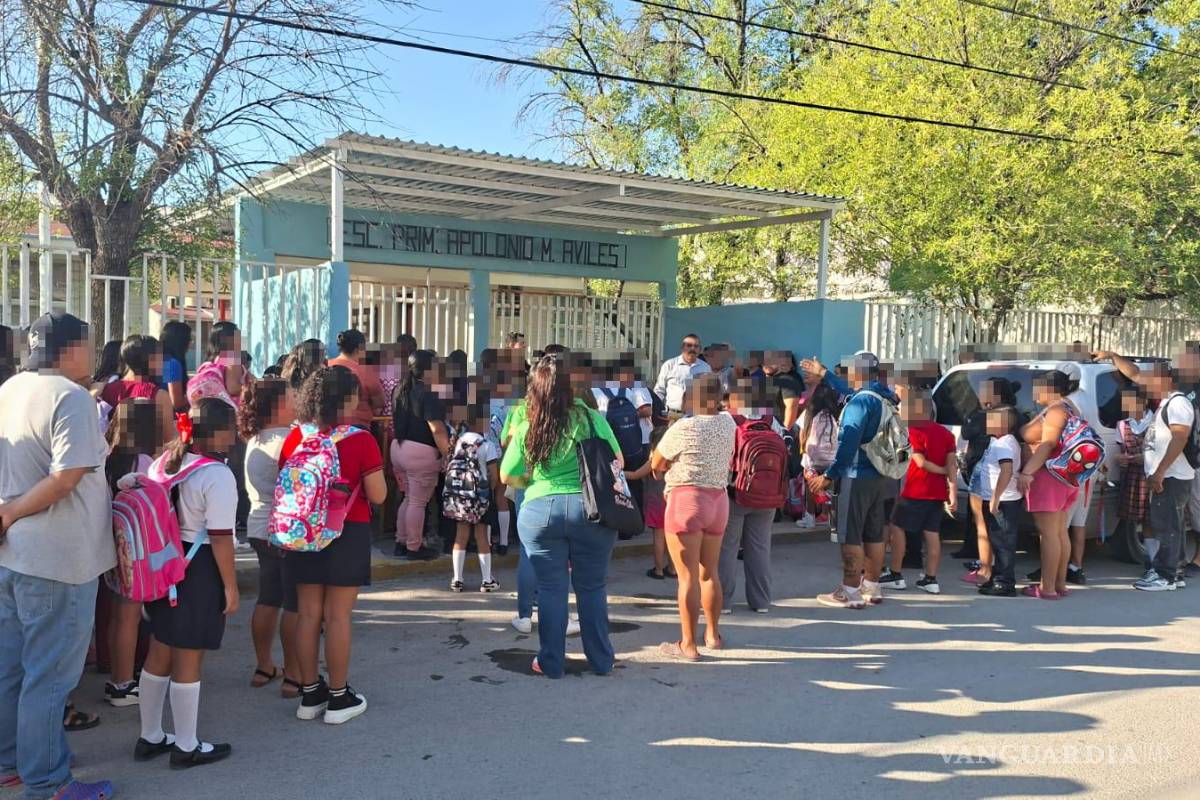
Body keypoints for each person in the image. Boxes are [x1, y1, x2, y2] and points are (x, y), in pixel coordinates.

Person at [0, 312, 116, 800]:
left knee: (14, 669)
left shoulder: (9, 390)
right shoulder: (70, 397)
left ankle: (13, 762)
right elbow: (67, 477)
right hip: (58, 560)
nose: (91, 356)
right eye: (88, 346)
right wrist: (7, 514)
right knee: (50, 677)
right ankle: (49, 784)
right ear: (70, 350)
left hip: (15, 559)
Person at [500, 355, 621, 678]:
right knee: (592, 587)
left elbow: (507, 474)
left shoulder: (528, 424)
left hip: (540, 510)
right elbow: (617, 461)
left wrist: (532, 481)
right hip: (591, 510)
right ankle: (602, 660)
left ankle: (550, 662)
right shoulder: (593, 420)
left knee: (552, 589)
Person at [135, 398, 239, 769]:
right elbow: (221, 536)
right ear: (220, 431)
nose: (236, 432)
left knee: (160, 650)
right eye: (233, 426)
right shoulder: (217, 474)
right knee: (189, 656)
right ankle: (186, 745)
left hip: (163, 565)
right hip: (198, 571)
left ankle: (150, 736)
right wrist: (230, 585)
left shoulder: (165, 462)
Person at [281, 367, 386, 723]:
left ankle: (310, 695)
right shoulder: (360, 440)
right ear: (347, 400)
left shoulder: (296, 438)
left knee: (308, 613)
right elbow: (379, 495)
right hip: (346, 531)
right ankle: (340, 698)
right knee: (338, 615)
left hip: (302, 533)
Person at [652, 373, 736, 660]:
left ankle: (687, 644)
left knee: (686, 578)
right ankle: (713, 634)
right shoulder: (729, 423)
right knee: (709, 572)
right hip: (718, 500)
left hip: (686, 499)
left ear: (694, 397)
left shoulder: (684, 427)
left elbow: (657, 462)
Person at [807, 352, 889, 610]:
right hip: (879, 475)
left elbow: (847, 444)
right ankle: (872, 587)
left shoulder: (858, 404)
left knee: (850, 534)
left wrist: (829, 476)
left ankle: (850, 590)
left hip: (855, 476)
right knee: (874, 532)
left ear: (858, 373)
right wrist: (824, 374)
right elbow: (849, 391)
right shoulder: (883, 396)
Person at [237, 377, 301, 698]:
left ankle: (264, 666)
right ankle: (293, 675)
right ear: (278, 404)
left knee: (268, 598)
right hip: (287, 529)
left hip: (260, 526)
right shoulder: (291, 440)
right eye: (292, 395)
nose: (297, 399)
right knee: (293, 603)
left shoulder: (256, 439)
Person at [100, 399, 161, 708]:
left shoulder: (109, 459)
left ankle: (117, 674)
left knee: (117, 615)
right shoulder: (146, 463)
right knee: (130, 617)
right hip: (137, 553)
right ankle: (123, 684)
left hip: (112, 545)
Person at [1017, 365, 1085, 599]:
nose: (1034, 393)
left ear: (1048, 388)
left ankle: (1046, 587)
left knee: (1048, 533)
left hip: (1050, 477)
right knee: (1058, 532)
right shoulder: (1070, 407)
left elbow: (1048, 444)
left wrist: (1027, 471)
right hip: (1065, 477)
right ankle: (1058, 584)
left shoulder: (1057, 410)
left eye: (1037, 388)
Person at [719, 378, 783, 614]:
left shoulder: (728, 420)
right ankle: (761, 602)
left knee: (728, 547)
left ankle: (723, 603)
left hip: (735, 492)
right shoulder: (770, 421)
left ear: (733, 399)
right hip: (768, 493)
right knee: (760, 548)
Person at [888, 391, 956, 595]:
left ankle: (895, 574)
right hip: (937, 493)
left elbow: (919, 462)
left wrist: (942, 471)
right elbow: (951, 463)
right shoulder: (946, 433)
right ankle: (931, 578)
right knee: (932, 534)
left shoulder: (913, 432)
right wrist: (951, 489)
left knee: (897, 527)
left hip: (915, 490)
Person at [391, 350, 449, 561]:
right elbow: (437, 429)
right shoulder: (428, 393)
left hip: (398, 448)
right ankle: (413, 547)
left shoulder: (400, 389)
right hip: (420, 452)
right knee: (417, 502)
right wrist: (447, 454)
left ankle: (401, 541)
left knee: (409, 498)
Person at [955, 377, 1019, 563]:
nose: (981, 395)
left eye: (985, 391)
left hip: (994, 480)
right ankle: (977, 555)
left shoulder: (1001, 419)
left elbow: (967, 432)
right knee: (979, 519)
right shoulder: (992, 415)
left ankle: (988, 567)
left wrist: (981, 412)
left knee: (988, 524)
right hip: (982, 472)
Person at [444, 406, 501, 593]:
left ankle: (457, 579)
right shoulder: (486, 444)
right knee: (481, 536)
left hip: (460, 498)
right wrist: (488, 494)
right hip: (480, 497)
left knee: (460, 536)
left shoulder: (458, 441)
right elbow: (494, 475)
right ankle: (486, 580)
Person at [975, 406, 1024, 596]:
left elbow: (1007, 470)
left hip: (1004, 501)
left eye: (991, 420)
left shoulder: (1004, 444)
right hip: (997, 499)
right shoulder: (997, 442)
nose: (987, 423)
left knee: (1004, 543)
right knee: (997, 541)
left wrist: (995, 498)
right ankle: (996, 577)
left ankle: (1005, 583)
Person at [98, 334, 177, 446]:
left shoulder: (106, 390)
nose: (163, 363)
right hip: (147, 461)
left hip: (109, 458)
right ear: (151, 360)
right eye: (160, 357)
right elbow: (169, 440)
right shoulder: (158, 395)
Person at [1115, 385, 1153, 576]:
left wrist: (1145, 459)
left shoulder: (1156, 421)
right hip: (1133, 477)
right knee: (1138, 520)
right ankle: (1152, 562)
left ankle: (1158, 563)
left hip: (1153, 476)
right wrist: (1121, 459)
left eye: (1132, 401)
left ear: (1144, 401)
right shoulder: (1123, 425)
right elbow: (1121, 450)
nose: (1128, 406)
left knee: (1153, 521)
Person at [798, 380, 840, 527]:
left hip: (812, 457)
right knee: (831, 487)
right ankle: (829, 517)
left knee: (811, 486)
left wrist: (803, 451)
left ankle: (809, 518)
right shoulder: (836, 414)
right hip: (831, 457)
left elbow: (802, 434)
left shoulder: (809, 413)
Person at [328, 329, 386, 429]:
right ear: (358, 350)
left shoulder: (326, 366)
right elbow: (379, 402)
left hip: (329, 428)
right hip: (358, 428)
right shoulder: (366, 371)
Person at [635, 427, 672, 579]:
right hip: (671, 501)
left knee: (658, 537)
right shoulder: (674, 460)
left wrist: (618, 473)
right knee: (671, 537)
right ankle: (673, 568)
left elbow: (636, 474)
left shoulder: (653, 460)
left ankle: (658, 570)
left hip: (655, 502)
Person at [653, 333, 712, 417]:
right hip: (673, 415)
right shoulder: (670, 365)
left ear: (700, 350)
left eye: (696, 346)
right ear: (682, 348)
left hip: (697, 416)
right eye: (689, 345)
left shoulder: (705, 368)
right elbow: (659, 391)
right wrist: (656, 412)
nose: (692, 349)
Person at [188, 321, 243, 408]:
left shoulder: (211, 360)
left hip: (209, 411)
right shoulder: (231, 357)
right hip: (230, 411)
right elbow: (232, 388)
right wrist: (252, 386)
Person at [762, 350, 805, 432]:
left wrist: (784, 432)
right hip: (762, 433)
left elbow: (792, 407)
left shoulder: (788, 381)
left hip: (779, 433)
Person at [160, 321, 193, 412]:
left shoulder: (160, 359)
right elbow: (177, 402)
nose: (191, 343)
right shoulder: (172, 364)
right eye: (189, 339)